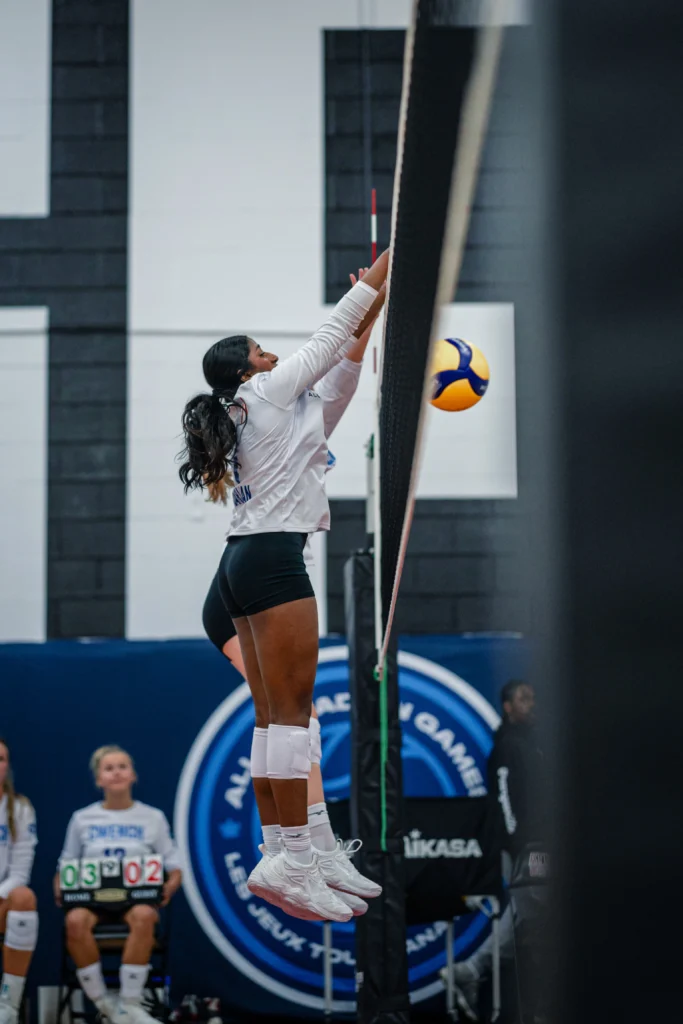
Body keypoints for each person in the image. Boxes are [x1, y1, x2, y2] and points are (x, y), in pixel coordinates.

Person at [179, 250, 389, 921]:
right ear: (246, 370)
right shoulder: (266, 391)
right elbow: (333, 333)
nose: (271, 354)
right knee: (294, 717)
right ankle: (297, 856)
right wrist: (392, 260)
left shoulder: (273, 412)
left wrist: (373, 311)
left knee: (278, 719)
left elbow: (342, 374)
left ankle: (294, 848)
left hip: (244, 560)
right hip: (271, 561)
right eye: (259, 350)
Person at [55, 746, 182, 1024]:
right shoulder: (82, 819)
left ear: (133, 775)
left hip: (135, 899)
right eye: (109, 768)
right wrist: (60, 887)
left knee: (145, 915)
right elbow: (66, 863)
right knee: (74, 921)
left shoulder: (153, 817)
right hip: (92, 900)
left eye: (123, 766)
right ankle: (106, 1004)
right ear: (98, 779)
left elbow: (174, 866)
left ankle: (130, 1003)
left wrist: (169, 887)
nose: (116, 773)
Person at [441, 680, 544, 1020]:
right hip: (525, 848)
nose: (531, 704)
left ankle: (471, 970)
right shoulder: (507, 746)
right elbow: (503, 798)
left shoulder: (533, 744)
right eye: (524, 698)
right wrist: (519, 843)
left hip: (538, 845)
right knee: (536, 913)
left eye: (533, 698)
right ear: (507, 707)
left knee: (529, 917)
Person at [0, 740, 38, 1024]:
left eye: (1, 759)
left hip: (2, 901)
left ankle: (8, 1006)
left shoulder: (20, 808)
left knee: (24, 897)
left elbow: (20, 872)